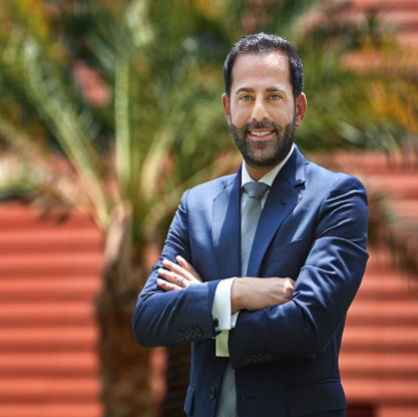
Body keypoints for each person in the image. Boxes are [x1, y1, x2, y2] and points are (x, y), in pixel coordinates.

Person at [132, 32, 369, 417]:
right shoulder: (197, 205)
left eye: (273, 96)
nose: (259, 113)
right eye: (245, 97)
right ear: (228, 108)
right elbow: (148, 319)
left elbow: (308, 324)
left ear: (299, 108)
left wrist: (207, 307)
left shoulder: (336, 197)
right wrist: (235, 293)